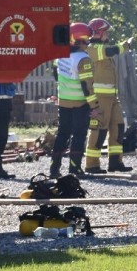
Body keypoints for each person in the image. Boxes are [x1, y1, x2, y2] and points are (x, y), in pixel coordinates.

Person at [50, 22, 101, 178]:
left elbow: (56, 76)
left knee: (62, 135)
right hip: (80, 104)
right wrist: (95, 106)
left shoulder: (59, 57)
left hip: (64, 102)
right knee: (78, 135)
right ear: (79, 39)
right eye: (87, 40)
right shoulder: (83, 59)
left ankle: (54, 169)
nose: (88, 43)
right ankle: (75, 169)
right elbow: (87, 86)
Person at [84, 18, 135, 174]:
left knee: (118, 127)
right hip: (100, 98)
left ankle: (115, 162)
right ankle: (92, 164)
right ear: (99, 33)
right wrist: (126, 45)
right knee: (99, 130)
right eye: (106, 32)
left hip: (112, 97)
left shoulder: (100, 49)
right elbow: (112, 50)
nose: (108, 35)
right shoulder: (92, 49)